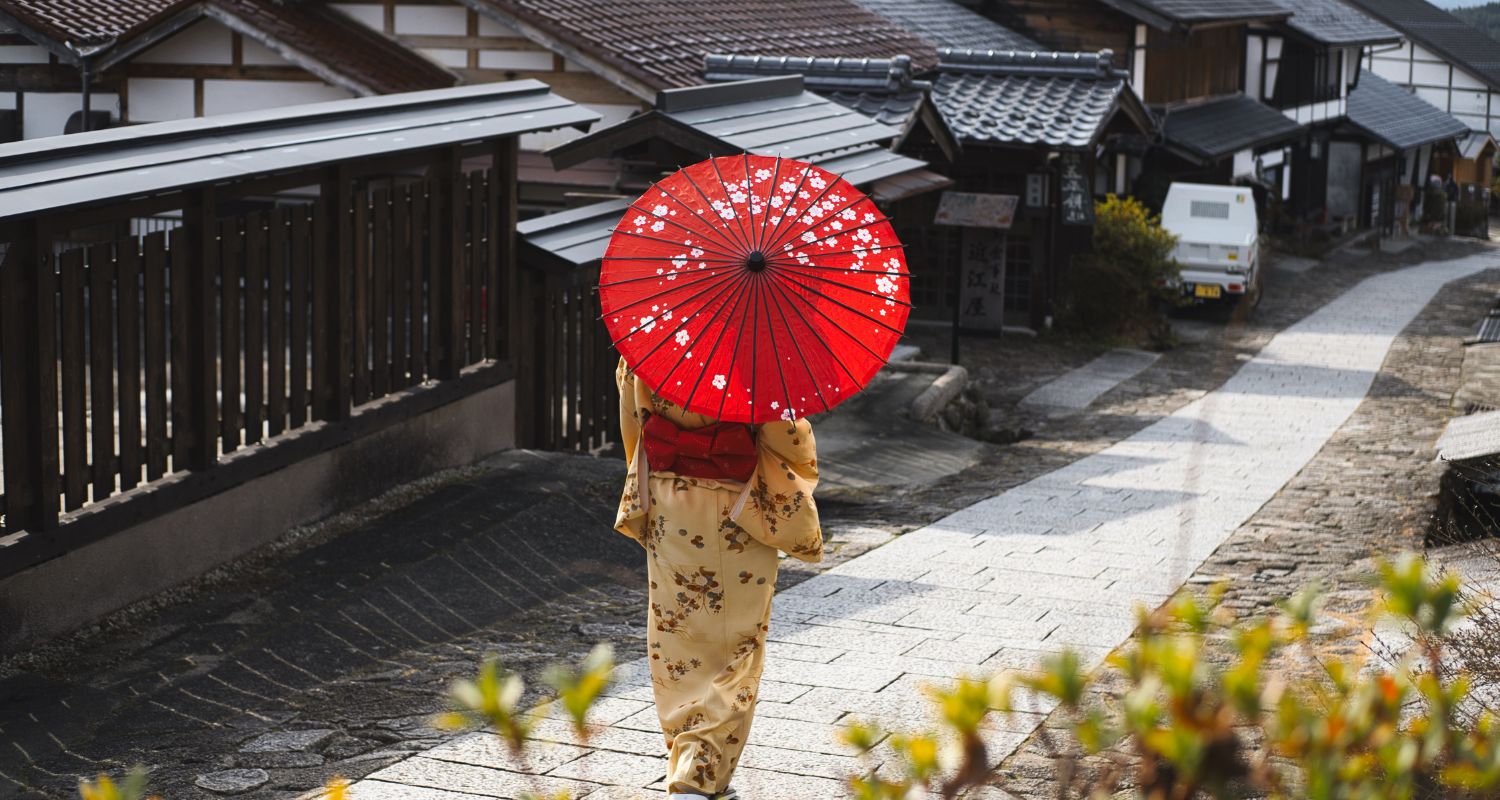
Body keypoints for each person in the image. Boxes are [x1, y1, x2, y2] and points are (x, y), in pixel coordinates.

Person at [614, 358, 823, 800]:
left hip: (671, 503)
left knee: (678, 637)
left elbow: (635, 425)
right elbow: (787, 438)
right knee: (738, 645)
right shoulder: (756, 354)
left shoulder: (652, 344)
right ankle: (699, 771)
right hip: (737, 508)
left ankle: (688, 757)